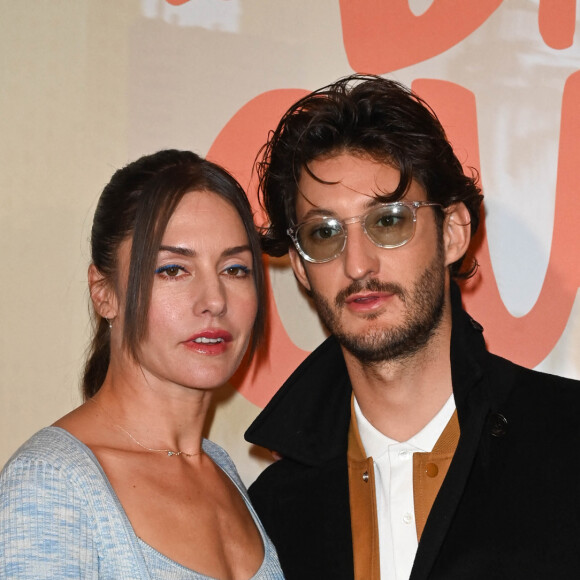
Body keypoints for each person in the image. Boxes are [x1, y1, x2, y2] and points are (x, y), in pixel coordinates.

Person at [244, 75, 580, 580]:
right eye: (324, 232)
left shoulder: (567, 443)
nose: (357, 264)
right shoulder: (273, 513)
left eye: (388, 221)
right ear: (299, 266)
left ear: (452, 233)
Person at [0, 150, 284, 579]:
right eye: (173, 270)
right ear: (104, 292)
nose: (214, 301)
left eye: (234, 269)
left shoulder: (220, 468)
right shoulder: (51, 482)